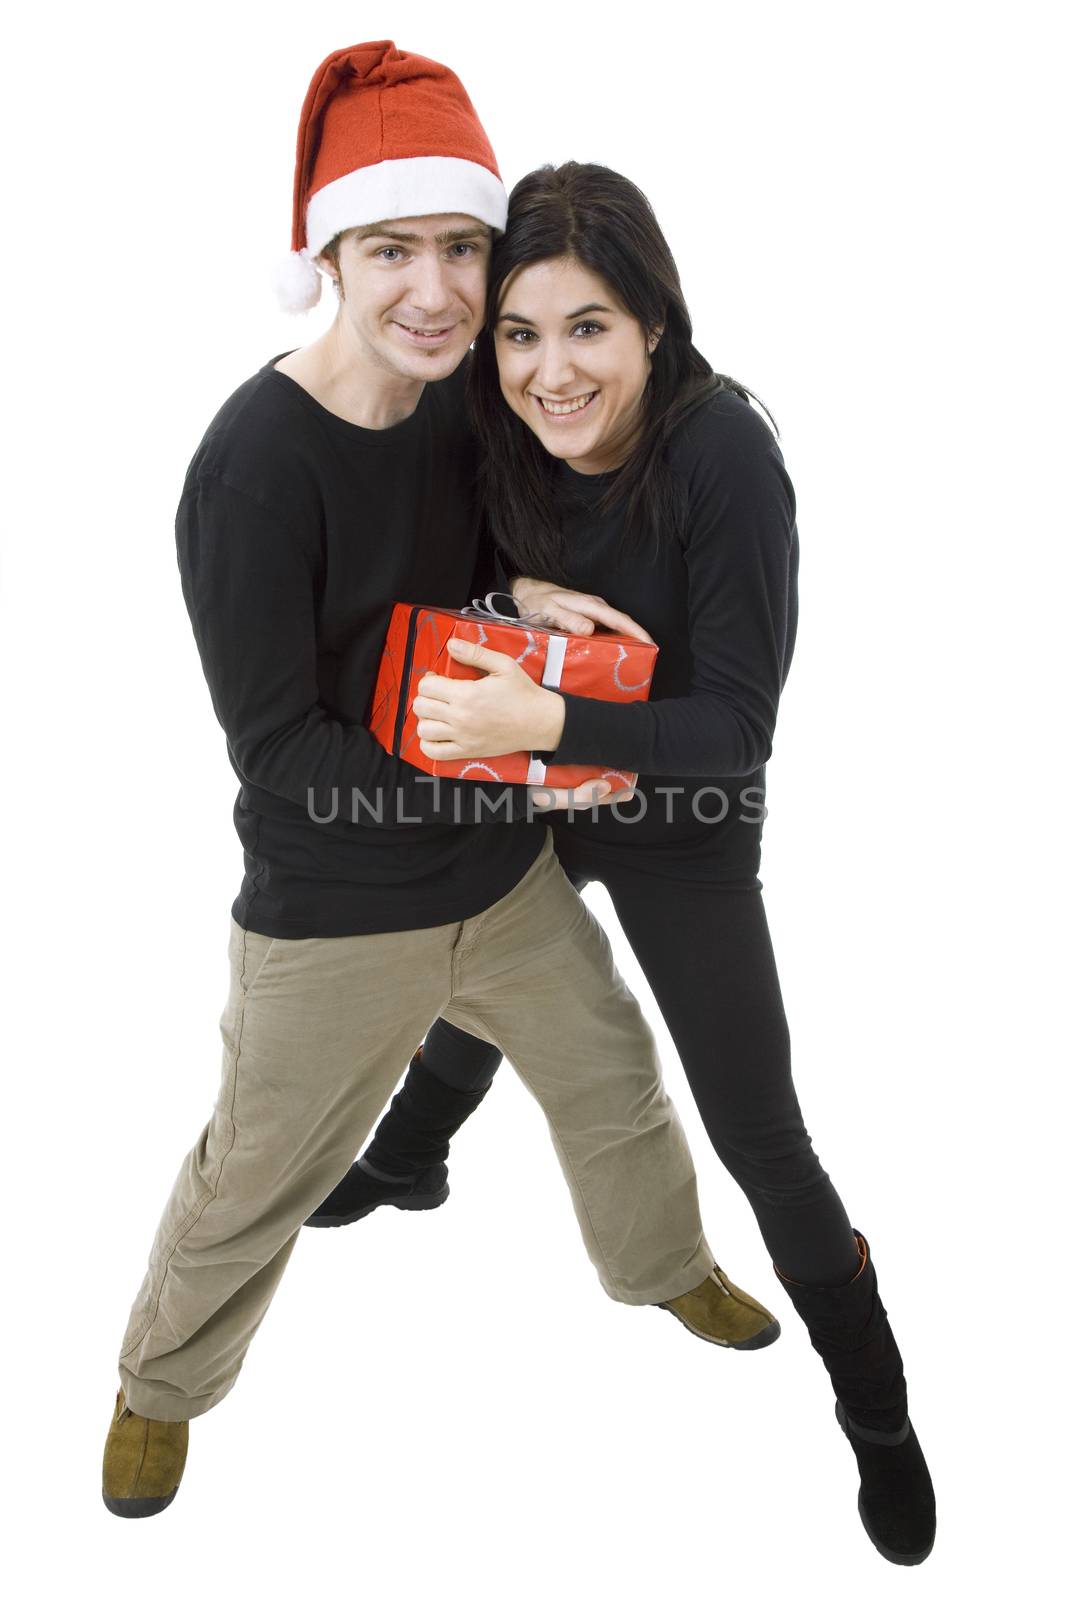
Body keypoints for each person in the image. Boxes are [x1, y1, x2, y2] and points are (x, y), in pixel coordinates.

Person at [101, 44, 779, 1522]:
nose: (434, 288)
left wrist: (524, 591)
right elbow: (278, 754)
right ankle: (158, 1387)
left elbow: (453, 587)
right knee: (254, 1175)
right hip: (335, 904)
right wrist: (524, 778)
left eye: (461, 249)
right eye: (392, 248)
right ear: (330, 257)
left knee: (612, 1079)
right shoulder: (251, 471)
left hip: (493, 884)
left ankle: (668, 1271)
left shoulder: (463, 412)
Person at [309, 160, 937, 1566]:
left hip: (679, 816)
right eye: (521, 333)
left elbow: (734, 728)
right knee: (486, 973)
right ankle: (414, 1162)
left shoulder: (724, 455)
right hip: (538, 777)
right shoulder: (491, 417)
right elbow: (439, 562)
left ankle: (880, 1417)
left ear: (656, 323)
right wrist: (512, 598)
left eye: (589, 328)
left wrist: (555, 718)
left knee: (760, 1133)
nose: (550, 371)